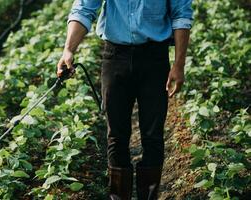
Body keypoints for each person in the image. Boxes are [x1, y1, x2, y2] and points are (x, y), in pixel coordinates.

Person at [57, 0, 193, 199]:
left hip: (154, 59)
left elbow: (181, 14)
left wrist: (179, 64)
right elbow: (84, 8)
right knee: (116, 136)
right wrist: (68, 50)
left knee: (153, 135)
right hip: (115, 57)